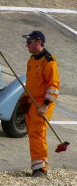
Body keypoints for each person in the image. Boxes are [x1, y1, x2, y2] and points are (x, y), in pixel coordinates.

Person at [22, 31, 60, 177]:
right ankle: (37, 166)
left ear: (38, 42)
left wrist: (45, 105)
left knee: (38, 134)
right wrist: (24, 99)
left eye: (29, 42)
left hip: (42, 104)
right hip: (31, 102)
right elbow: (30, 84)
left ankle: (41, 169)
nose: (27, 45)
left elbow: (53, 87)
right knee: (33, 134)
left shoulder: (49, 62)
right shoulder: (32, 60)